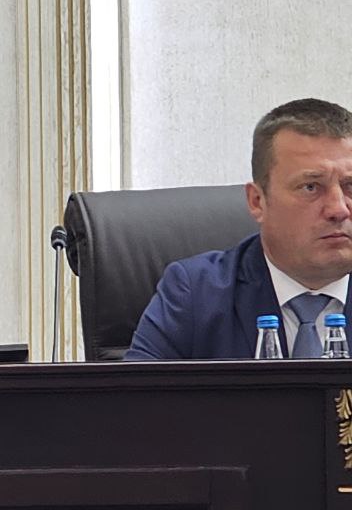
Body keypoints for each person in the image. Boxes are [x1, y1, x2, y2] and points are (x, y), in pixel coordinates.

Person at [126, 97, 352, 360]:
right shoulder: (195, 294)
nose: (339, 209)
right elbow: (136, 388)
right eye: (310, 187)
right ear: (257, 201)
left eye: (350, 186)